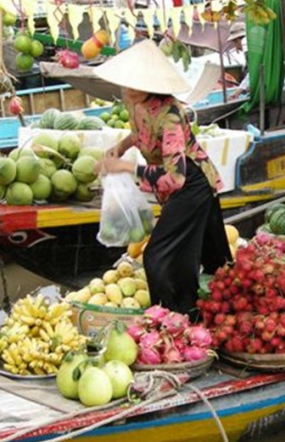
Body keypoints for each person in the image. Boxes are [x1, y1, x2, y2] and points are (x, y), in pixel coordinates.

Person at [93, 40, 232, 316]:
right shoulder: (133, 100)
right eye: (127, 84)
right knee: (212, 257)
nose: (129, 90)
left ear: (151, 85)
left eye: (136, 85)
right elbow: (142, 131)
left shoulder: (170, 115)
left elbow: (176, 177)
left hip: (191, 182)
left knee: (159, 256)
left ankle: (173, 317)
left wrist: (126, 168)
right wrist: (123, 146)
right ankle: (204, 311)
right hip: (174, 184)